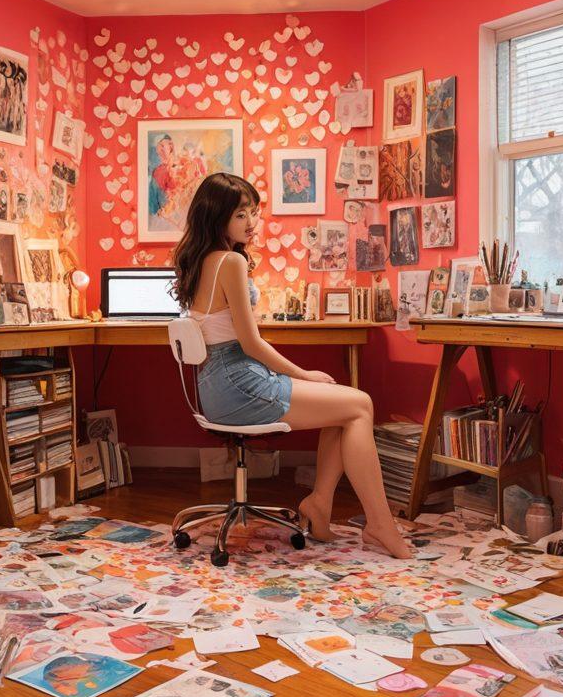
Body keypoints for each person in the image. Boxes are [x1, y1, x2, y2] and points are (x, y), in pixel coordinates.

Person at [171, 173, 411, 558]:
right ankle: (379, 524)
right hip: (238, 382)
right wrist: (302, 373)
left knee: (343, 409)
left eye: (254, 212)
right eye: (240, 215)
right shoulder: (230, 261)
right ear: (216, 217)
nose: (251, 222)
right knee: (361, 404)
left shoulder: (202, 260)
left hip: (216, 387)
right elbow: (250, 343)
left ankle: (320, 505)